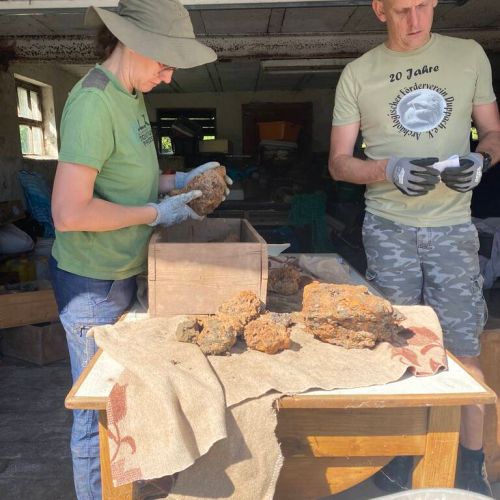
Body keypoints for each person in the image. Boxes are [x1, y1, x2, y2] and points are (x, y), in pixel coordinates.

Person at [49, 1, 231, 498]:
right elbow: (69, 212)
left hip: (124, 270)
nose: (169, 77)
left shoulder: (129, 93)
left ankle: (132, 482)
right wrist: (155, 213)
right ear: (131, 42)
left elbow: (127, 178)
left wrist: (180, 181)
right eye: (165, 63)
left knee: (129, 398)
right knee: (100, 412)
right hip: (93, 284)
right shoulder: (93, 103)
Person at [329, 0, 500, 495]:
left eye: (425, 5)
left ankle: (470, 468)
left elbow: (493, 132)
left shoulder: (468, 55)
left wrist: (482, 159)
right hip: (388, 229)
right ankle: (400, 461)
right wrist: (387, 168)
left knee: (464, 351)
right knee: (396, 350)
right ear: (379, 9)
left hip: (453, 229)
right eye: (403, 9)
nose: (416, 20)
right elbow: (339, 163)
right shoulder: (359, 73)